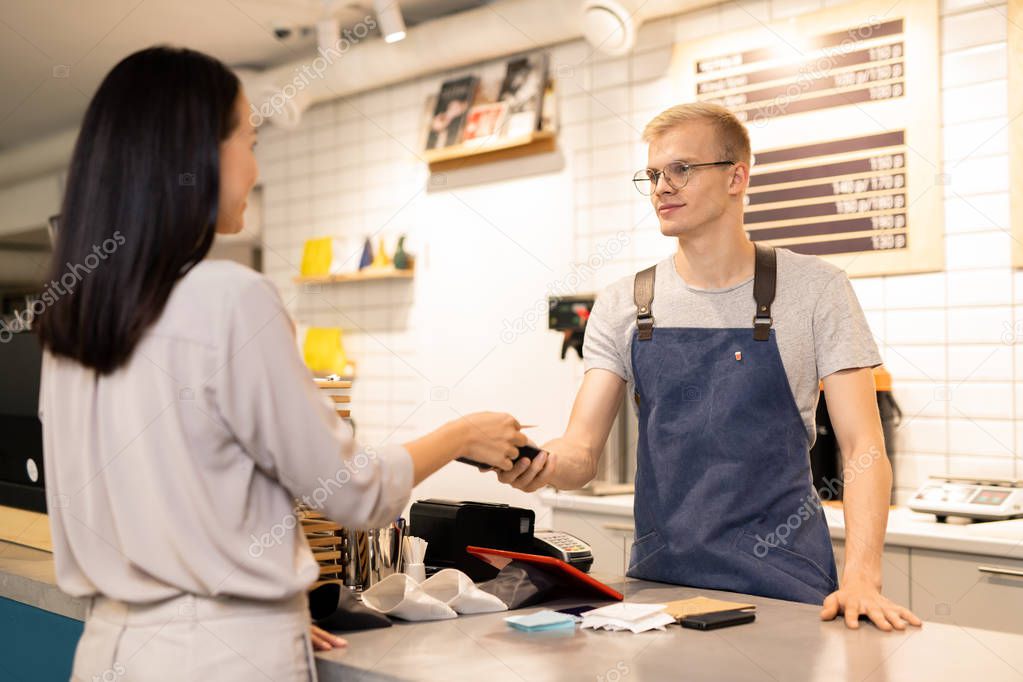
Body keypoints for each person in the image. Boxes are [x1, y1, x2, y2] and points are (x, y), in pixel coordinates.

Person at [36, 46, 527, 681]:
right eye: (249, 140)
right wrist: (462, 434)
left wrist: (266, 614)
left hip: (112, 648)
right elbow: (350, 490)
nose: (254, 168)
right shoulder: (229, 298)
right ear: (194, 158)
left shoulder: (70, 328)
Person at [498, 102, 922, 632]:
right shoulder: (625, 302)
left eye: (681, 169)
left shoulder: (817, 289)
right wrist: (534, 462)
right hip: (662, 590)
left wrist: (862, 577)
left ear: (736, 177)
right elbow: (580, 454)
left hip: (787, 585)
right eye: (653, 174)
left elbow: (864, 448)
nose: (661, 187)